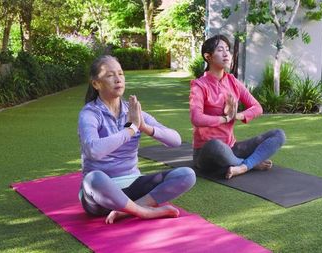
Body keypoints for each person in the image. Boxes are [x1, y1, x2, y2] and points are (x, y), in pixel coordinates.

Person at [78, 55, 196, 224]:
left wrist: (144, 127)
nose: (118, 79)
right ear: (96, 83)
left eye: (121, 74)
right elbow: (93, 151)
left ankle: (130, 209)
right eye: (110, 75)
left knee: (187, 174)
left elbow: (175, 140)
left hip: (134, 185)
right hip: (101, 196)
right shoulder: (89, 114)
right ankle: (143, 212)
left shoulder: (133, 111)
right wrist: (131, 129)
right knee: (93, 179)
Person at [190, 35, 286, 179]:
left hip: (231, 148)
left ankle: (242, 167)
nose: (225, 54)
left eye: (227, 50)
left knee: (278, 135)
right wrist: (225, 118)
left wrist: (237, 116)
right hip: (206, 152)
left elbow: (257, 107)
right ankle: (251, 164)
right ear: (208, 56)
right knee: (215, 145)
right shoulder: (199, 85)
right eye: (220, 50)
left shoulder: (232, 81)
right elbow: (196, 118)